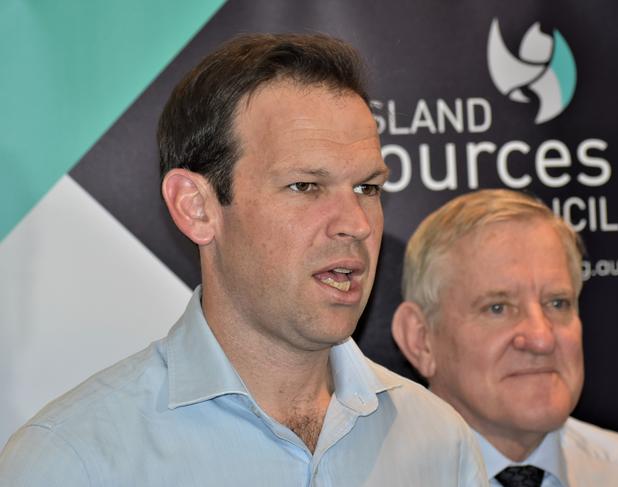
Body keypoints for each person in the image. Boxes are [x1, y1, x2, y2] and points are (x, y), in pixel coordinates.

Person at [0, 33, 487, 486]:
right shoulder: (74, 462)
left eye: (367, 188)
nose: (356, 224)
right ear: (197, 207)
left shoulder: (439, 443)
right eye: (306, 186)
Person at [392, 189, 618, 486]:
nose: (542, 338)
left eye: (557, 303)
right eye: (498, 308)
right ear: (420, 339)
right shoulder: (364, 478)